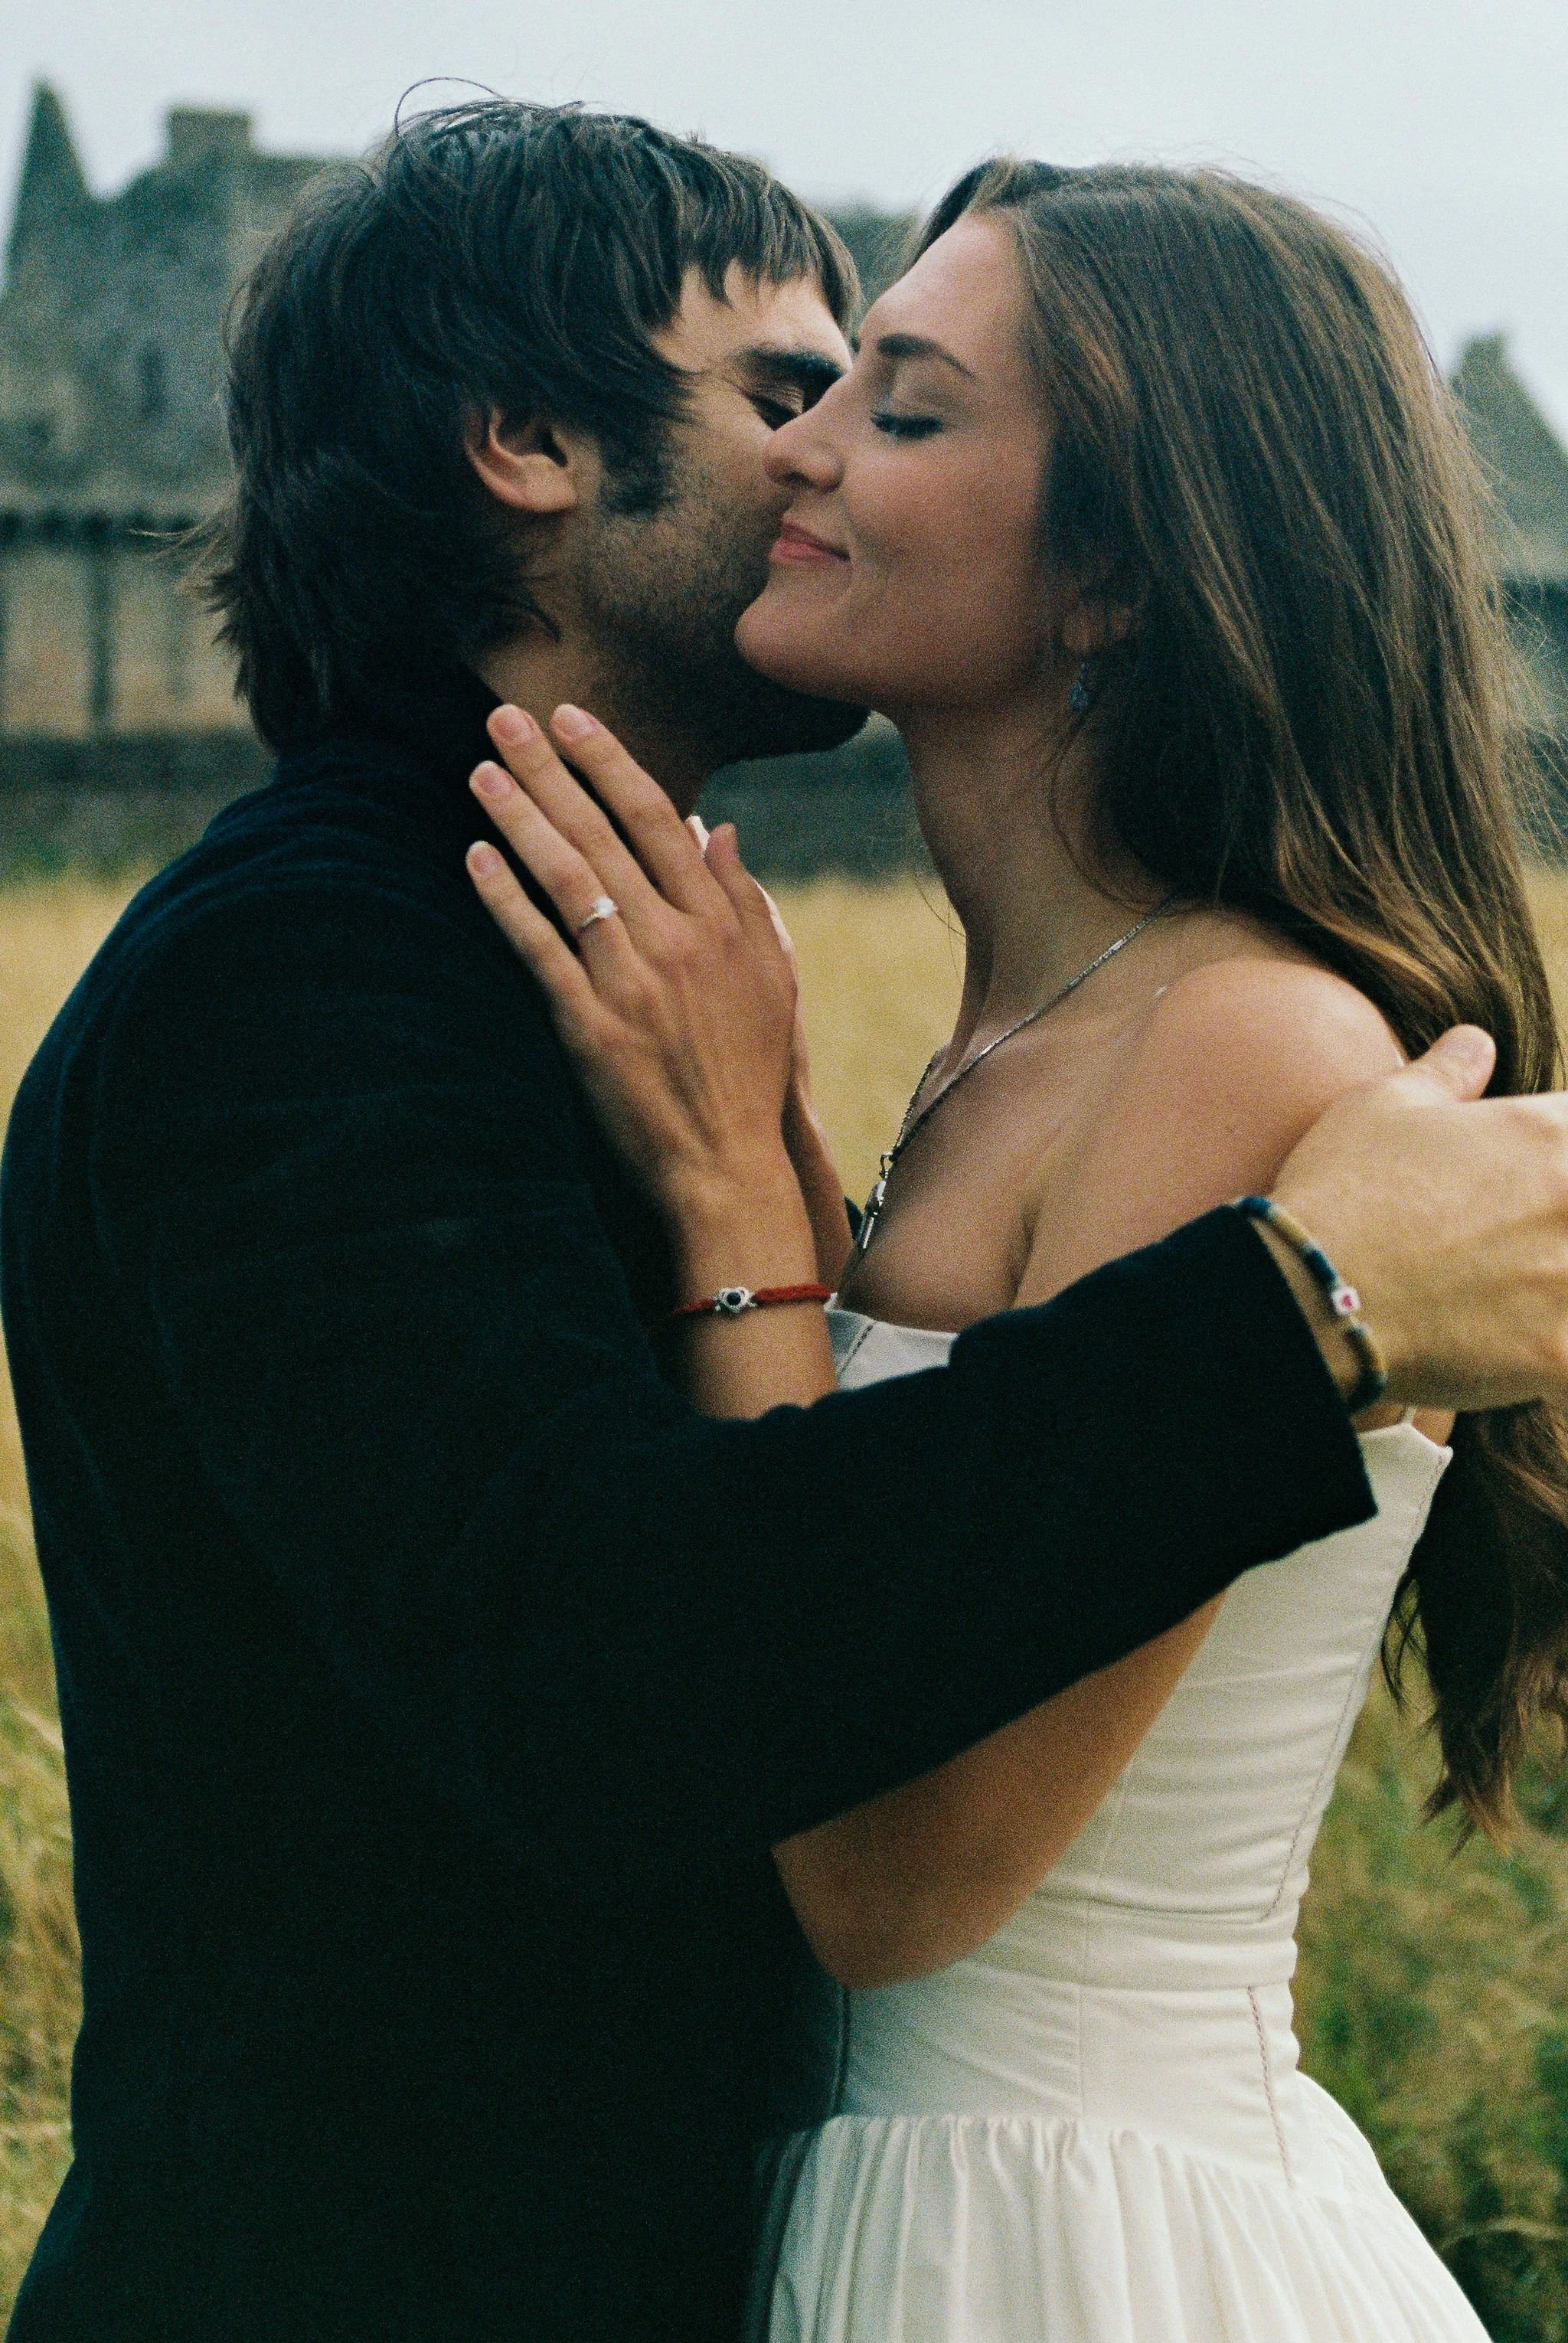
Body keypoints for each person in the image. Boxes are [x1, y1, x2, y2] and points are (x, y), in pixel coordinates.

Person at [2, 101, 1566, 2343]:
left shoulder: (608, 975)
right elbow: (626, 1664)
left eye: (890, 400)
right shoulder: (311, 985)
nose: (823, 450)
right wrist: (1301, 1309)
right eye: (785, 388)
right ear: (531, 441)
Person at [462, 158, 1567, 2338]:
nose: (797, 443)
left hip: (1075, 2245)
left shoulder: (1246, 1044)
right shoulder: (1015, 1037)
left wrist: (736, 1217)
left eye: (906, 404)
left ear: (1121, 571)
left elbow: (888, 1879)